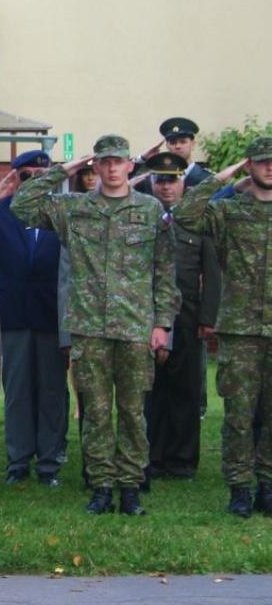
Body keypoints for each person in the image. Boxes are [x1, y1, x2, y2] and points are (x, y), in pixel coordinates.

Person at [11, 135, 179, 517]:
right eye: (104, 162)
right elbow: (22, 205)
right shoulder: (74, 209)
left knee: (134, 412)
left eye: (118, 161)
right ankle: (102, 485)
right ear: (95, 167)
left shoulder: (150, 209)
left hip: (136, 328)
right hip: (89, 328)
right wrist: (63, 169)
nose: (112, 168)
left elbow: (164, 272)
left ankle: (131, 486)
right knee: (97, 413)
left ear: (130, 166)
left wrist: (163, 323)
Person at [0, 150, 69, 487]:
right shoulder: (2, 212)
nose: (34, 180)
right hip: (15, 315)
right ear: (14, 177)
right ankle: (18, 461)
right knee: (17, 392)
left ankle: (50, 463)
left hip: (52, 315)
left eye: (41, 174)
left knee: (52, 392)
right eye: (26, 175)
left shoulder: (63, 212)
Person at [173, 136, 272, 517]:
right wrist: (224, 179)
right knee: (239, 415)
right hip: (241, 330)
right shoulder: (230, 211)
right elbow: (185, 213)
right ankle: (240, 488)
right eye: (261, 162)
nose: (268, 169)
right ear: (250, 166)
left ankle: (267, 484)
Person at [141, 153, 220, 485]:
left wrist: (208, 317)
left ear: (183, 183)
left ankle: (182, 461)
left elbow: (212, 272)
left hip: (187, 316)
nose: (166, 187)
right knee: (151, 391)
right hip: (147, 316)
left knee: (185, 390)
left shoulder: (198, 219)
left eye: (172, 180)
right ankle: (153, 457)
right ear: (152, 183)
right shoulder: (142, 217)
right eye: (160, 180)